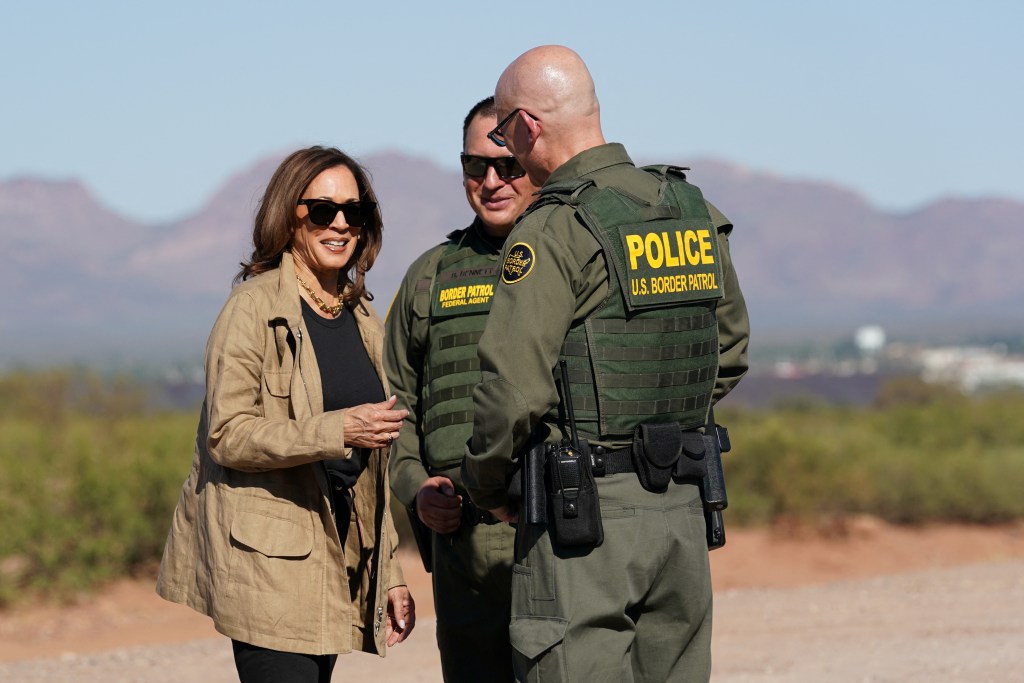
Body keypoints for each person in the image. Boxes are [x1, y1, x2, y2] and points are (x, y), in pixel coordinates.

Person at [461, 46, 750, 682]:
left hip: (582, 517)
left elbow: (512, 392)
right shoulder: (687, 209)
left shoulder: (553, 229)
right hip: (682, 506)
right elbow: (727, 352)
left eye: (506, 132)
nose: (507, 149)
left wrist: (485, 486)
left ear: (529, 127)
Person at [156, 146, 415, 683]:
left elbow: (373, 470)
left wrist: (388, 571)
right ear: (288, 215)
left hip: (337, 553)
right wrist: (338, 428)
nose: (340, 224)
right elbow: (227, 435)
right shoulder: (252, 308)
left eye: (354, 211)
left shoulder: (362, 315)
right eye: (322, 210)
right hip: (267, 564)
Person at [385, 96, 539, 682]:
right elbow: (394, 400)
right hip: (463, 548)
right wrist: (416, 487)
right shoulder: (432, 274)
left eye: (508, 166)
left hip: (560, 537)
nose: (492, 181)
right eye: (476, 166)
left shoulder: (575, 258)